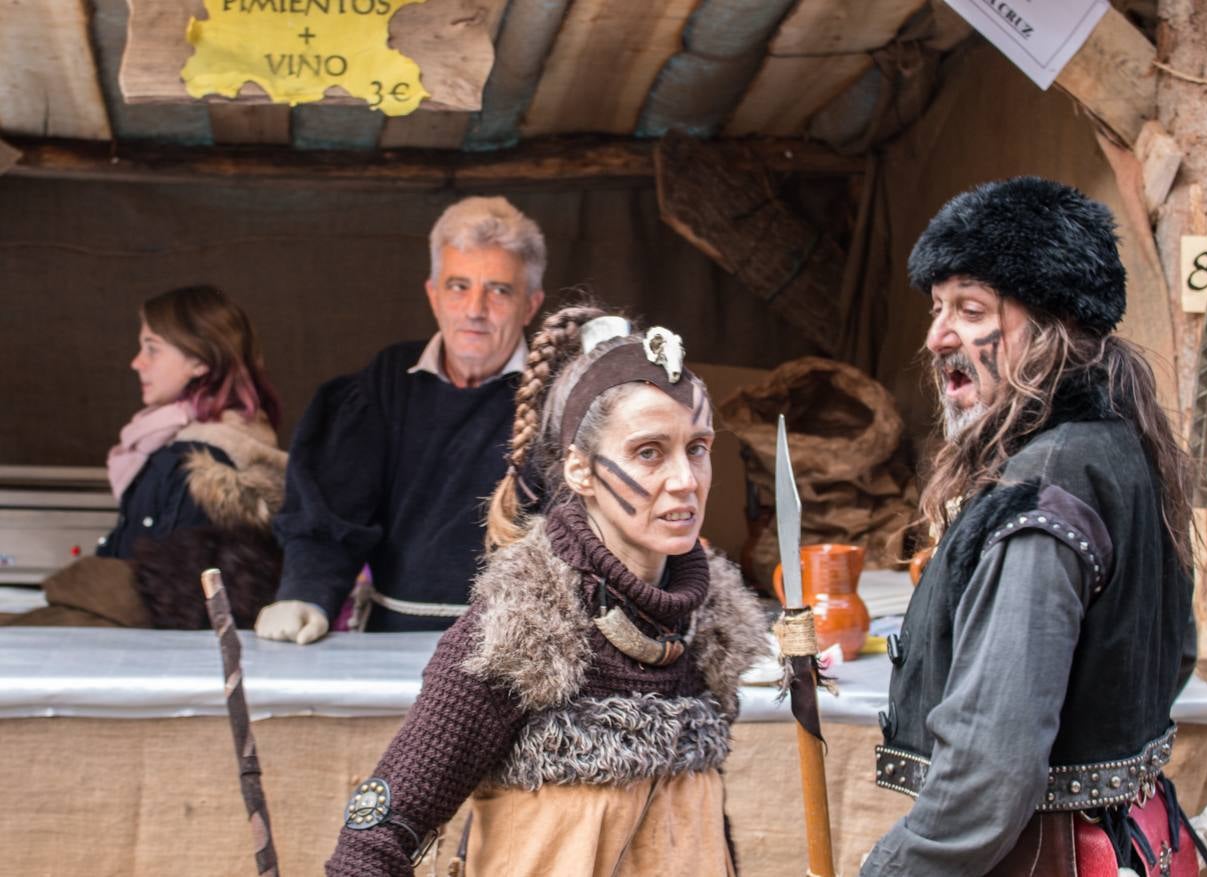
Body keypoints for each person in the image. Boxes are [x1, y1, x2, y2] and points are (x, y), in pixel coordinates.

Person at [324, 307, 767, 876]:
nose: (684, 479)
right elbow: (372, 845)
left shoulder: (704, 629)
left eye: (698, 447)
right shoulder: (522, 632)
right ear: (581, 471)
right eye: (649, 452)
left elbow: (694, 832)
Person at [859, 178, 1205, 875]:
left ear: (1053, 327)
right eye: (937, 309)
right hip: (1137, 840)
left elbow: (987, 777)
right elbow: (1175, 660)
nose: (937, 337)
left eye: (970, 308)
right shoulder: (1122, 448)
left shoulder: (1046, 490)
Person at [255, 196, 546, 642]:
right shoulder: (387, 382)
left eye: (499, 290)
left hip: (519, 650)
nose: (475, 308)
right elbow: (334, 506)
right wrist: (305, 593)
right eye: (458, 286)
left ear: (530, 305)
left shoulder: (559, 393)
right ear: (433, 295)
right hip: (393, 643)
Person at [4, 284, 285, 629]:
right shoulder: (180, 449)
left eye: (152, 349)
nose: (137, 363)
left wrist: (81, 585)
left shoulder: (196, 461)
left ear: (199, 361)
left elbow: (176, 608)